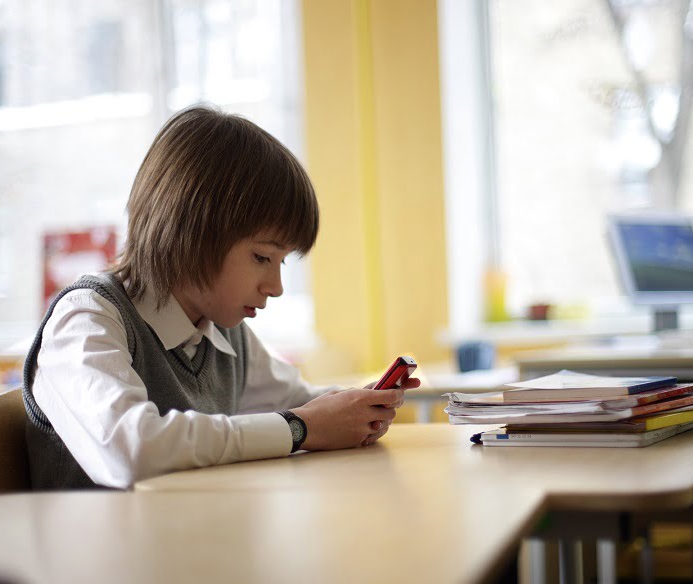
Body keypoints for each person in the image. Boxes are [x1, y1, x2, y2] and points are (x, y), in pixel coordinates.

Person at [22, 106, 420, 489]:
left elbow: (299, 403)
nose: (276, 286)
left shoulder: (222, 330)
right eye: (262, 257)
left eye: (282, 262)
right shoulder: (87, 318)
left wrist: (356, 408)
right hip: (104, 556)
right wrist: (301, 428)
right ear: (190, 233)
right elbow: (131, 450)